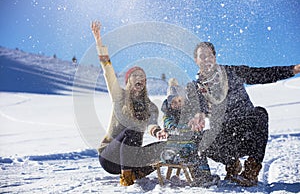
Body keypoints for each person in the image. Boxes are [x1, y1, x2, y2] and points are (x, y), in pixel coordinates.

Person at [187, 42, 300, 186]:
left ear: (215, 57)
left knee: (260, 113)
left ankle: (250, 171)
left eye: (210, 55)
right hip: (224, 137)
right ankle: (231, 164)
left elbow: (261, 74)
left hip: (246, 132)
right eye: (202, 56)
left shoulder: (233, 72)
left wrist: (293, 69)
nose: (207, 59)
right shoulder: (197, 87)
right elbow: (197, 107)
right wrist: (198, 115)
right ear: (196, 60)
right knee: (197, 139)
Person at [91, 21, 168, 186]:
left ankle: (137, 171)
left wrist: (157, 132)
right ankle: (127, 176)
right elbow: (107, 71)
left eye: (143, 77)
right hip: (109, 157)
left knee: (166, 146)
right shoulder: (119, 95)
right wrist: (99, 42)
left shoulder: (150, 107)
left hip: (131, 157)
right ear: (128, 81)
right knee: (132, 131)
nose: (140, 79)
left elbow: (151, 124)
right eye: (136, 76)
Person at [161, 82, 220, 187]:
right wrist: (186, 128)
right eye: (174, 102)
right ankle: (174, 157)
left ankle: (204, 176)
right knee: (192, 154)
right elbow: (172, 128)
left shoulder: (187, 113)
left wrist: (197, 130)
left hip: (188, 144)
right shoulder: (168, 116)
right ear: (169, 103)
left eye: (179, 101)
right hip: (175, 145)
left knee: (199, 153)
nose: (177, 104)